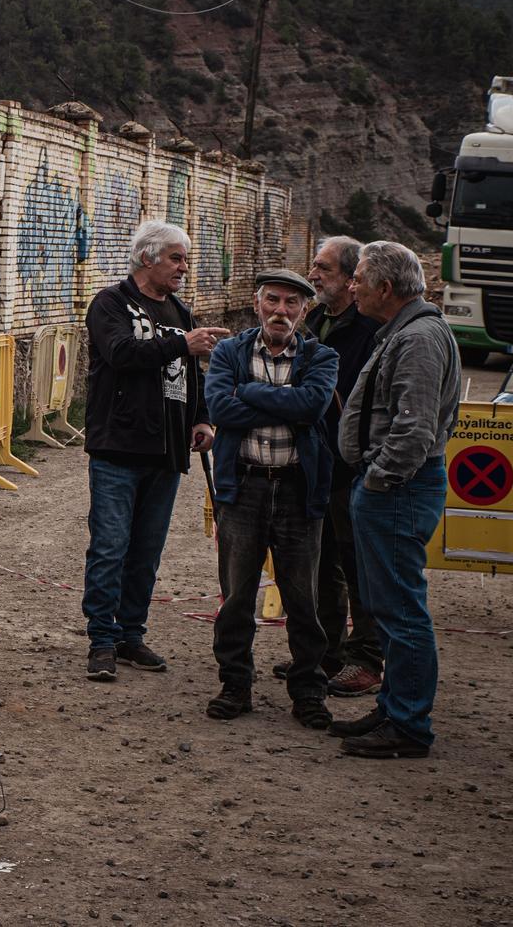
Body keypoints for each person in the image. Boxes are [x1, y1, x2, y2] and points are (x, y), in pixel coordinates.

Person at [81, 221, 228, 684]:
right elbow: (121, 353)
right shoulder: (110, 303)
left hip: (166, 451)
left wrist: (201, 418)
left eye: (185, 258)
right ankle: (101, 640)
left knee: (146, 551)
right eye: (176, 258)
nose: (184, 267)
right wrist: (181, 344)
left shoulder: (180, 311)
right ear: (148, 258)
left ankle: (131, 634)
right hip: (118, 447)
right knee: (110, 547)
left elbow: (192, 375)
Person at [332, 240, 462, 761]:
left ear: (385, 288)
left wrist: (378, 481)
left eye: (359, 279)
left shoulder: (420, 339)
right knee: (389, 608)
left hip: (398, 492)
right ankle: (394, 708)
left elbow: (414, 427)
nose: (351, 286)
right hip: (392, 490)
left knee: (402, 611)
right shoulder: (407, 331)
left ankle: (408, 724)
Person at [202, 270, 341, 730]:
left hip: (300, 489)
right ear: (257, 303)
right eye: (273, 301)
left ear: (306, 310)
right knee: (237, 595)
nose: (281, 311)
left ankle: (307, 691)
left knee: (303, 598)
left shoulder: (323, 356)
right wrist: (286, 400)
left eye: (292, 304)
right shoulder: (229, 352)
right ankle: (235, 685)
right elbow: (220, 409)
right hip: (243, 488)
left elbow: (312, 406)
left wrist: (251, 394)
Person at [296, 235, 384, 697]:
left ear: (353, 280)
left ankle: (367, 659)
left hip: (354, 466)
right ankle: (326, 655)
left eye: (323, 268)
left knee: (358, 564)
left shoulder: (371, 330)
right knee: (322, 561)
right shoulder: (314, 320)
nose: (313, 276)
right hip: (317, 463)